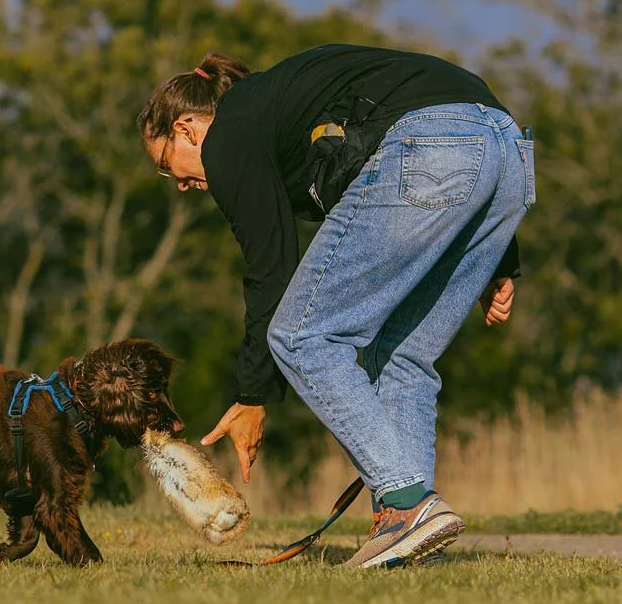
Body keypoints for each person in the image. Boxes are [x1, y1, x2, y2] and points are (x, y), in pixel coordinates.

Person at [136, 44, 534, 568]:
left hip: (434, 145)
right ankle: (409, 539)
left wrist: (254, 394)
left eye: (169, 166)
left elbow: (270, 267)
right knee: (401, 357)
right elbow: (466, 132)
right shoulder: (280, 113)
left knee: (301, 336)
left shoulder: (230, 130)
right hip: (505, 153)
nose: (183, 185)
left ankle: (407, 503)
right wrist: (499, 255)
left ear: (187, 128)